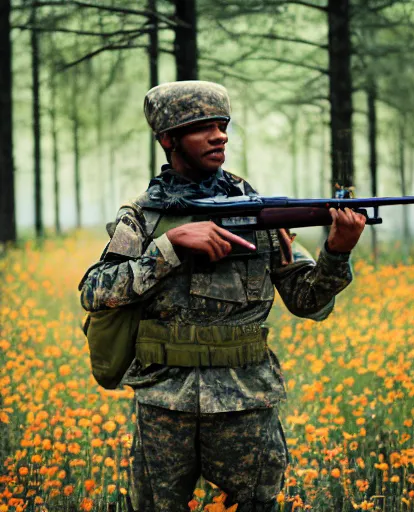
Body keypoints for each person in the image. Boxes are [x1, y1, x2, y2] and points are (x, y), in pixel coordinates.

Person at [79, 80, 366, 512]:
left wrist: (337, 251)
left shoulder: (258, 211)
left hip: (245, 405)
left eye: (223, 125)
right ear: (168, 139)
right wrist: (170, 248)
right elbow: (95, 291)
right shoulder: (143, 218)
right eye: (203, 128)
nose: (220, 136)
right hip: (163, 404)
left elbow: (308, 302)